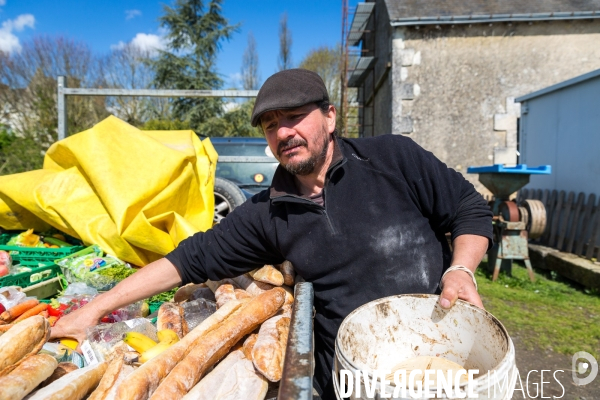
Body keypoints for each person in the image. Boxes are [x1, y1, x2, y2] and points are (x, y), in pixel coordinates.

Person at [51, 69, 492, 399]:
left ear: (330, 116)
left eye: (296, 117)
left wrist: (462, 269)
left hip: (442, 347)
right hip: (353, 376)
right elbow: (188, 260)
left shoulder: (394, 157)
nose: (284, 133)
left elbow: (469, 209)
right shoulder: (267, 213)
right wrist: (94, 309)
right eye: (270, 125)